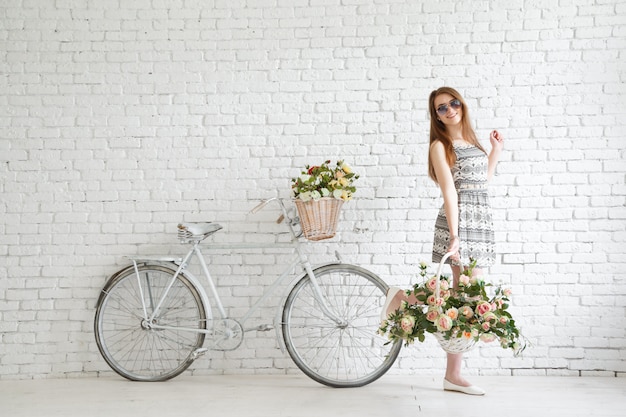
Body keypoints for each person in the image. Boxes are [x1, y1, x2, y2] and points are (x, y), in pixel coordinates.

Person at [381, 86, 504, 396]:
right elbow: (450, 191)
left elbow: (480, 182)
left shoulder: (472, 141)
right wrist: (454, 234)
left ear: (461, 104)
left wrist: (495, 153)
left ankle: (451, 372)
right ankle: (404, 302)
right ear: (435, 115)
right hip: (459, 220)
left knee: (463, 298)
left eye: (453, 103)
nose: (449, 110)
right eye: (441, 108)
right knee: (467, 296)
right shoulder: (440, 144)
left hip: (480, 220)